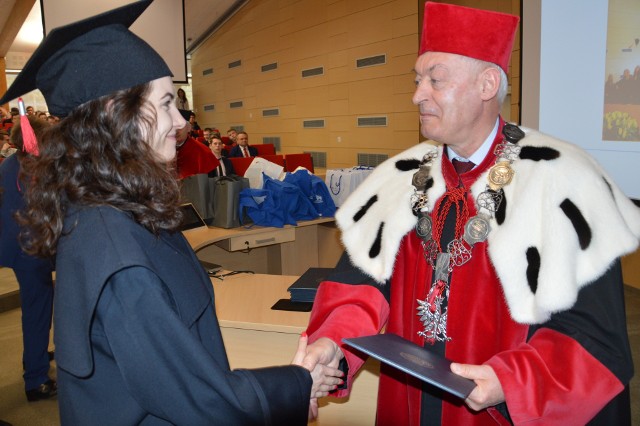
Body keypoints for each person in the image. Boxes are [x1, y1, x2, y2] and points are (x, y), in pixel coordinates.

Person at [0, 1, 342, 424]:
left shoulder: (110, 210)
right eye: (165, 104)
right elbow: (200, 402)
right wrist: (298, 384)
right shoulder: (115, 249)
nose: (179, 122)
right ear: (115, 114)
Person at [301, 3, 640, 425]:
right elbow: (364, 284)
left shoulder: (565, 184)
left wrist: (509, 381)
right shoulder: (401, 179)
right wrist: (333, 343)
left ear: (487, 84)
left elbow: (591, 339)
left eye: (435, 80)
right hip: (410, 400)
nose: (417, 95)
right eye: (417, 79)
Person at [0, 116, 56, 402]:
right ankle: (35, 379)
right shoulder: (32, 169)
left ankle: (33, 356)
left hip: (18, 245)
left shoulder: (11, 163)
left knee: (36, 308)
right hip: (30, 250)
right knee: (37, 311)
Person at [175, 112, 219, 179]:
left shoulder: (203, 151)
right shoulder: (158, 149)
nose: (175, 130)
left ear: (188, 128)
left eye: (180, 126)